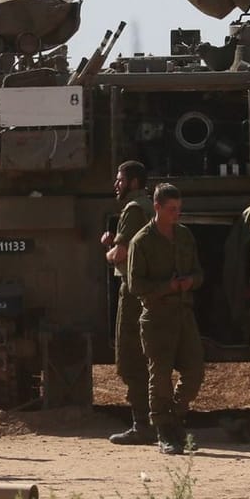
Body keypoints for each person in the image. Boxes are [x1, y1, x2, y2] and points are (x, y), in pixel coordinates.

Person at [126, 183, 206, 455]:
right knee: (159, 376)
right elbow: (135, 285)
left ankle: (174, 415)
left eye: (179, 209)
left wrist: (190, 282)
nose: (177, 214)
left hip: (184, 313)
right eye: (172, 209)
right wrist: (167, 287)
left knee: (194, 371)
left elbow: (199, 273)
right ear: (157, 207)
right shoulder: (142, 241)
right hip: (157, 316)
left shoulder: (184, 236)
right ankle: (164, 431)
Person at [99, 160, 155, 445]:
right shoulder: (149, 205)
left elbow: (120, 254)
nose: (116, 184)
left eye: (120, 179)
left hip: (133, 291)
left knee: (131, 355)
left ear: (133, 182)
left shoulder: (133, 210)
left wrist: (108, 248)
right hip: (152, 290)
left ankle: (142, 424)